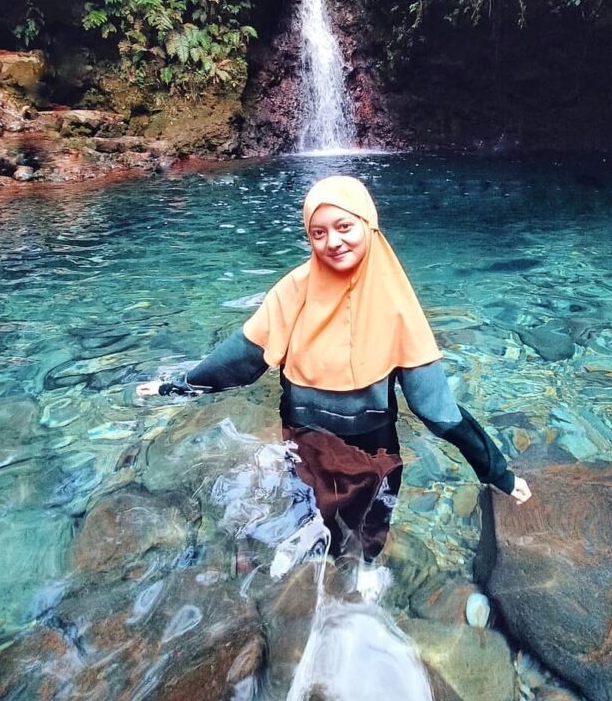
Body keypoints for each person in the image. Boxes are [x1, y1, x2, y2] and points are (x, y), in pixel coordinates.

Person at [137, 175, 531, 594]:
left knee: (374, 505)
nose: (333, 242)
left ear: (369, 224)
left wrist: (497, 472)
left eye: (344, 227)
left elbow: (437, 408)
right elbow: (242, 356)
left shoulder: (396, 302)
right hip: (303, 429)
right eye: (319, 233)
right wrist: (176, 387)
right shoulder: (294, 289)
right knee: (308, 496)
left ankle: (366, 566)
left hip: (371, 438)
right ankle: (312, 559)